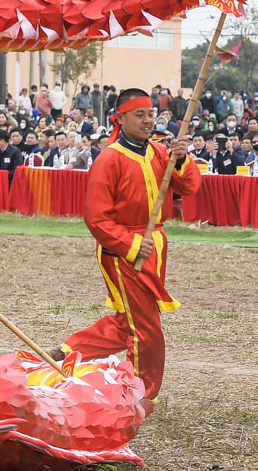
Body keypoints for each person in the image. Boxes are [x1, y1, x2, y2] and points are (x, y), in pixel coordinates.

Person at [52, 89, 201, 400]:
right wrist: (130, 245)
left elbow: (189, 186)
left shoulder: (161, 152)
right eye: (139, 115)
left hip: (154, 247)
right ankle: (140, 394)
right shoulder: (109, 159)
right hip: (122, 251)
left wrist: (183, 158)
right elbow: (96, 218)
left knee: (130, 321)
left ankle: (68, 352)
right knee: (146, 328)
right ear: (120, 118)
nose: (148, 121)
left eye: (151, 114)